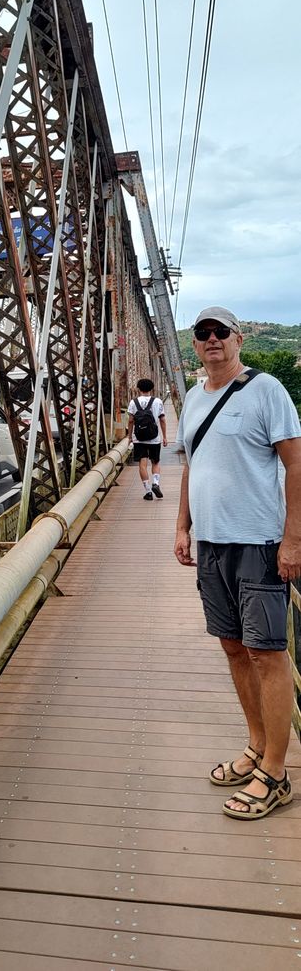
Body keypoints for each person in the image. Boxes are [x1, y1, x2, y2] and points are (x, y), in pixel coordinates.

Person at [174, 306, 301, 820]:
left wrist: (293, 541)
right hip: (212, 544)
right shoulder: (190, 397)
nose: (211, 341)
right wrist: (181, 526)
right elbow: (190, 464)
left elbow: (297, 463)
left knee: (267, 653)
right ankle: (255, 746)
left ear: (237, 338)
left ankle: (275, 772)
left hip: (259, 543)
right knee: (233, 648)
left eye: (219, 332)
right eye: (202, 334)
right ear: (195, 343)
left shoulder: (266, 390)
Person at [127, 378, 167, 500]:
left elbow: (130, 420)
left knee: (142, 465)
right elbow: (162, 419)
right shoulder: (158, 401)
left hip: (139, 439)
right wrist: (164, 436)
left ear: (138, 389)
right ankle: (156, 483)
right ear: (151, 388)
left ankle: (148, 491)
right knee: (155, 462)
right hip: (154, 438)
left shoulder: (133, 402)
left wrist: (129, 437)